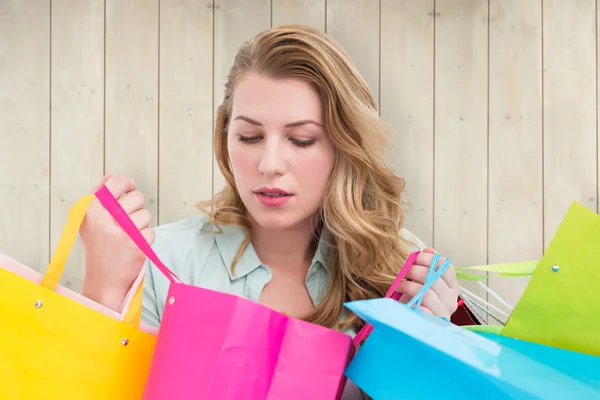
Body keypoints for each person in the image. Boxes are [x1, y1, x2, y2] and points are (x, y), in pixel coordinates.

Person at [79, 24, 460, 398]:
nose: (269, 164)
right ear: (225, 136)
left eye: (301, 140)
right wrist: (102, 291)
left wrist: (432, 357)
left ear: (344, 146)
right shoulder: (162, 261)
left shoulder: (397, 266)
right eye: (250, 137)